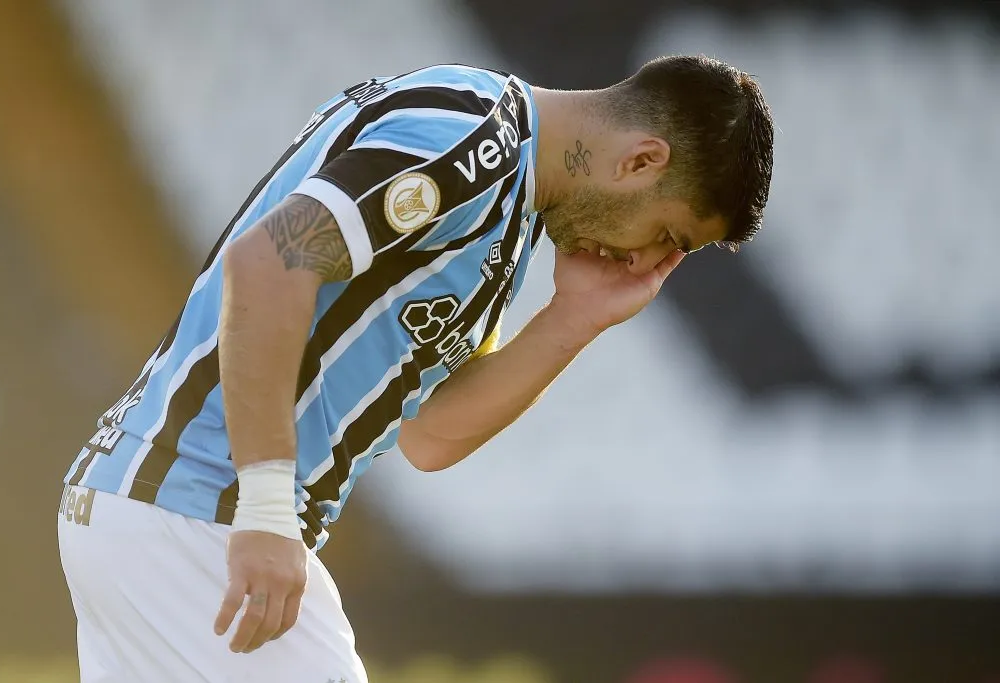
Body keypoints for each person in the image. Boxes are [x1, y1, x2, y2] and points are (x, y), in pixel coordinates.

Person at [57, 55, 774, 682]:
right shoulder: (475, 138)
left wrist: (573, 318)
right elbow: (272, 258)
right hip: (197, 508)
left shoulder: (512, 212)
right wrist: (268, 509)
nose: (647, 262)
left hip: (155, 510)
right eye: (666, 235)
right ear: (641, 161)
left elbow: (430, 435)